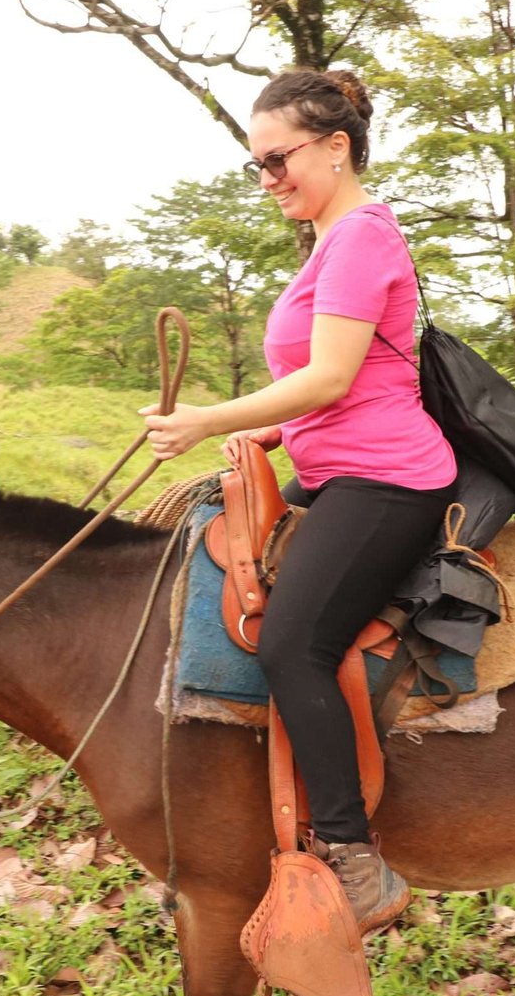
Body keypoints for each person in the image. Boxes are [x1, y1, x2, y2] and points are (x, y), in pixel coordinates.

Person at [140, 67, 457, 933]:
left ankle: (355, 859)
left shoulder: (358, 237)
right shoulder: (330, 238)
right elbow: (348, 383)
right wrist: (267, 438)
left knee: (292, 645)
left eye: (279, 158)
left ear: (336, 146)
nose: (270, 177)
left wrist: (209, 418)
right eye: (258, 165)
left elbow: (331, 375)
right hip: (337, 463)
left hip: (386, 478)